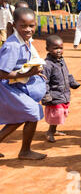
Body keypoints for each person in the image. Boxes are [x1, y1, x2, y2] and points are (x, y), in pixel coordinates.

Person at [0, 8, 47, 160]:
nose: (28, 29)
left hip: (16, 85)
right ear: (15, 25)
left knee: (22, 116)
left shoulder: (25, 40)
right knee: (32, 112)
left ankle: (25, 150)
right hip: (7, 87)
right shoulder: (12, 45)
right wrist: (27, 74)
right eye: (23, 26)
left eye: (31, 26)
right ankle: (25, 151)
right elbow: (2, 73)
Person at [42, 35, 80, 143]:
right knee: (56, 114)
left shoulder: (62, 61)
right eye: (55, 48)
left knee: (62, 112)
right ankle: (50, 132)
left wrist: (72, 82)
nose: (59, 51)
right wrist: (46, 95)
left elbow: (67, 74)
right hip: (54, 95)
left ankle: (54, 130)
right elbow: (44, 81)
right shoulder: (47, 65)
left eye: (61, 48)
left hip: (63, 93)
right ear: (47, 49)